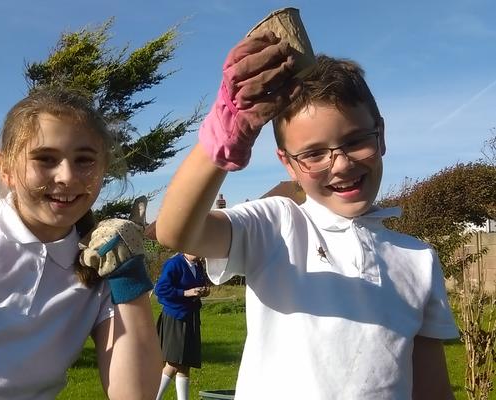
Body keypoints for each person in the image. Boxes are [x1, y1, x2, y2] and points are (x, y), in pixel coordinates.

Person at [155, 30, 459, 399]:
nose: (341, 164)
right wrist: (224, 137)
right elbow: (176, 230)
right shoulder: (274, 225)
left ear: (380, 135)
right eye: (314, 153)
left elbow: (432, 388)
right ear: (287, 164)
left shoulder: (420, 259)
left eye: (355, 140)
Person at [0, 88, 162, 400]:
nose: (67, 176)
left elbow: (135, 394)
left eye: (84, 160)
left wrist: (130, 279)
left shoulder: (102, 263)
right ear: (5, 167)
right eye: (45, 158)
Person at [154, 253, 209, 400]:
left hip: (191, 316)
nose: (201, 253)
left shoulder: (197, 264)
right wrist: (185, 292)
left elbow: (198, 284)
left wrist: (203, 291)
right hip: (175, 316)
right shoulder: (174, 264)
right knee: (173, 363)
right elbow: (160, 290)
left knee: (185, 364)